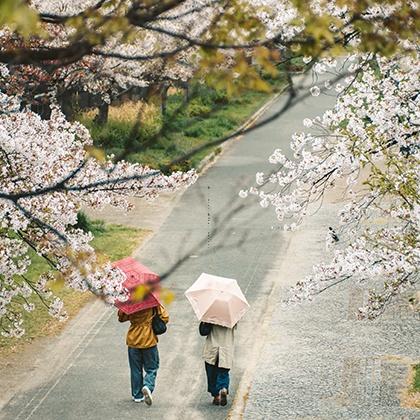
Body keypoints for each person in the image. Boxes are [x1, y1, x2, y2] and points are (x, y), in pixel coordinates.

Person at [118, 305, 169, 406]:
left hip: (133, 339)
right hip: (149, 339)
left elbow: (121, 318)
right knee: (152, 368)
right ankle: (147, 386)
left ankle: (137, 395)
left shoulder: (130, 302)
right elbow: (165, 317)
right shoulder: (152, 302)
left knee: (135, 369)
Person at [199, 321, 236, 406]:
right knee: (223, 372)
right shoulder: (232, 317)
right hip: (226, 348)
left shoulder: (211, 316)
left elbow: (203, 332)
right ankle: (223, 388)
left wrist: (205, 322)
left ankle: (216, 396)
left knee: (211, 372)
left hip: (213, 347)